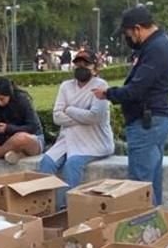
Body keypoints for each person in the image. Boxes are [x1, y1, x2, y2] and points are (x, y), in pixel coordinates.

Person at [92, 5, 168, 205]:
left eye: (127, 33)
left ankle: (143, 230)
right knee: (151, 183)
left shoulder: (156, 49)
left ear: (137, 29)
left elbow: (136, 90)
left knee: (139, 186)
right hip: (155, 119)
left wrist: (108, 93)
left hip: (147, 121)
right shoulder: (158, 45)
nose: (127, 38)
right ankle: (155, 229)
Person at [40, 50, 114, 208]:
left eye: (85, 64)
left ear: (94, 67)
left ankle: (65, 209)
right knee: (46, 162)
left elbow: (95, 117)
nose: (81, 67)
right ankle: (46, 208)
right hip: (68, 138)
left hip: (93, 141)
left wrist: (70, 110)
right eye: (78, 64)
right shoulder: (66, 86)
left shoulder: (101, 86)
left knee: (72, 164)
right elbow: (56, 117)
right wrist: (82, 117)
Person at [0, 77, 43, 164]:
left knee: (20, 138)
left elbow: (33, 127)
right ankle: (11, 154)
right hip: (4, 140)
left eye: (2, 99)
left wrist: (8, 128)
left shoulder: (22, 100)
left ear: (9, 95)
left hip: (29, 139)